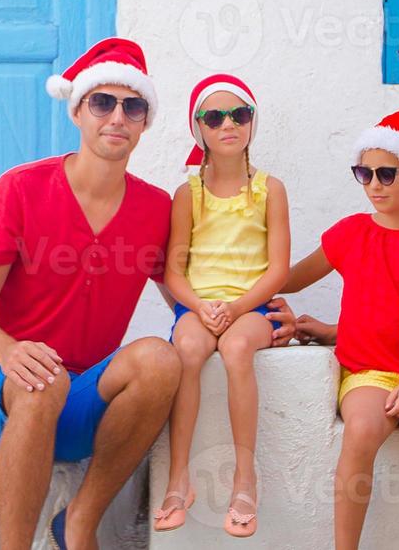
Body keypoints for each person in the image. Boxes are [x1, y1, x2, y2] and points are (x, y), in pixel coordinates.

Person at [0, 37, 180, 550]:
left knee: (161, 360)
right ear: (78, 110)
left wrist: (255, 314)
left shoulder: (156, 209)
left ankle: (79, 520)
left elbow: (184, 299)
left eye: (133, 105)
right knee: (42, 381)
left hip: (78, 405)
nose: (117, 117)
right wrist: (9, 351)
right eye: (103, 102)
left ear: (144, 122)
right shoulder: (21, 188)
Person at [285, 110, 399, 549]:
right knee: (362, 431)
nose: (374, 185)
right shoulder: (351, 234)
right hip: (369, 370)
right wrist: (236, 293)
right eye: (363, 173)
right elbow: (289, 277)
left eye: (387, 174)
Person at [153, 74, 290, 538]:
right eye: (215, 117)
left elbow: (277, 270)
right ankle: (178, 478)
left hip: (252, 308)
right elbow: (174, 271)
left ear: (252, 122)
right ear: (199, 129)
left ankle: (244, 478)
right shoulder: (187, 195)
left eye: (240, 114)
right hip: (197, 306)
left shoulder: (270, 190)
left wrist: (236, 310)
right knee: (187, 350)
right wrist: (200, 306)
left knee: (235, 351)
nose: (228, 124)